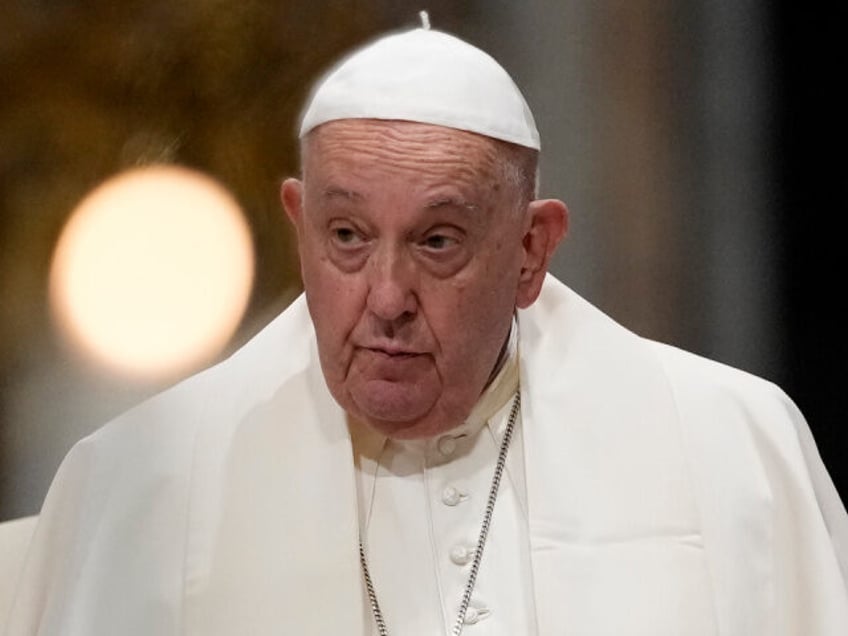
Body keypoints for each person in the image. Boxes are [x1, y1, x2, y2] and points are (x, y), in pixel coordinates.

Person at [5, 20, 848, 636]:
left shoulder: (730, 449)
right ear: (299, 224)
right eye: (347, 237)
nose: (386, 296)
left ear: (530, 249)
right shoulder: (144, 487)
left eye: (437, 242)